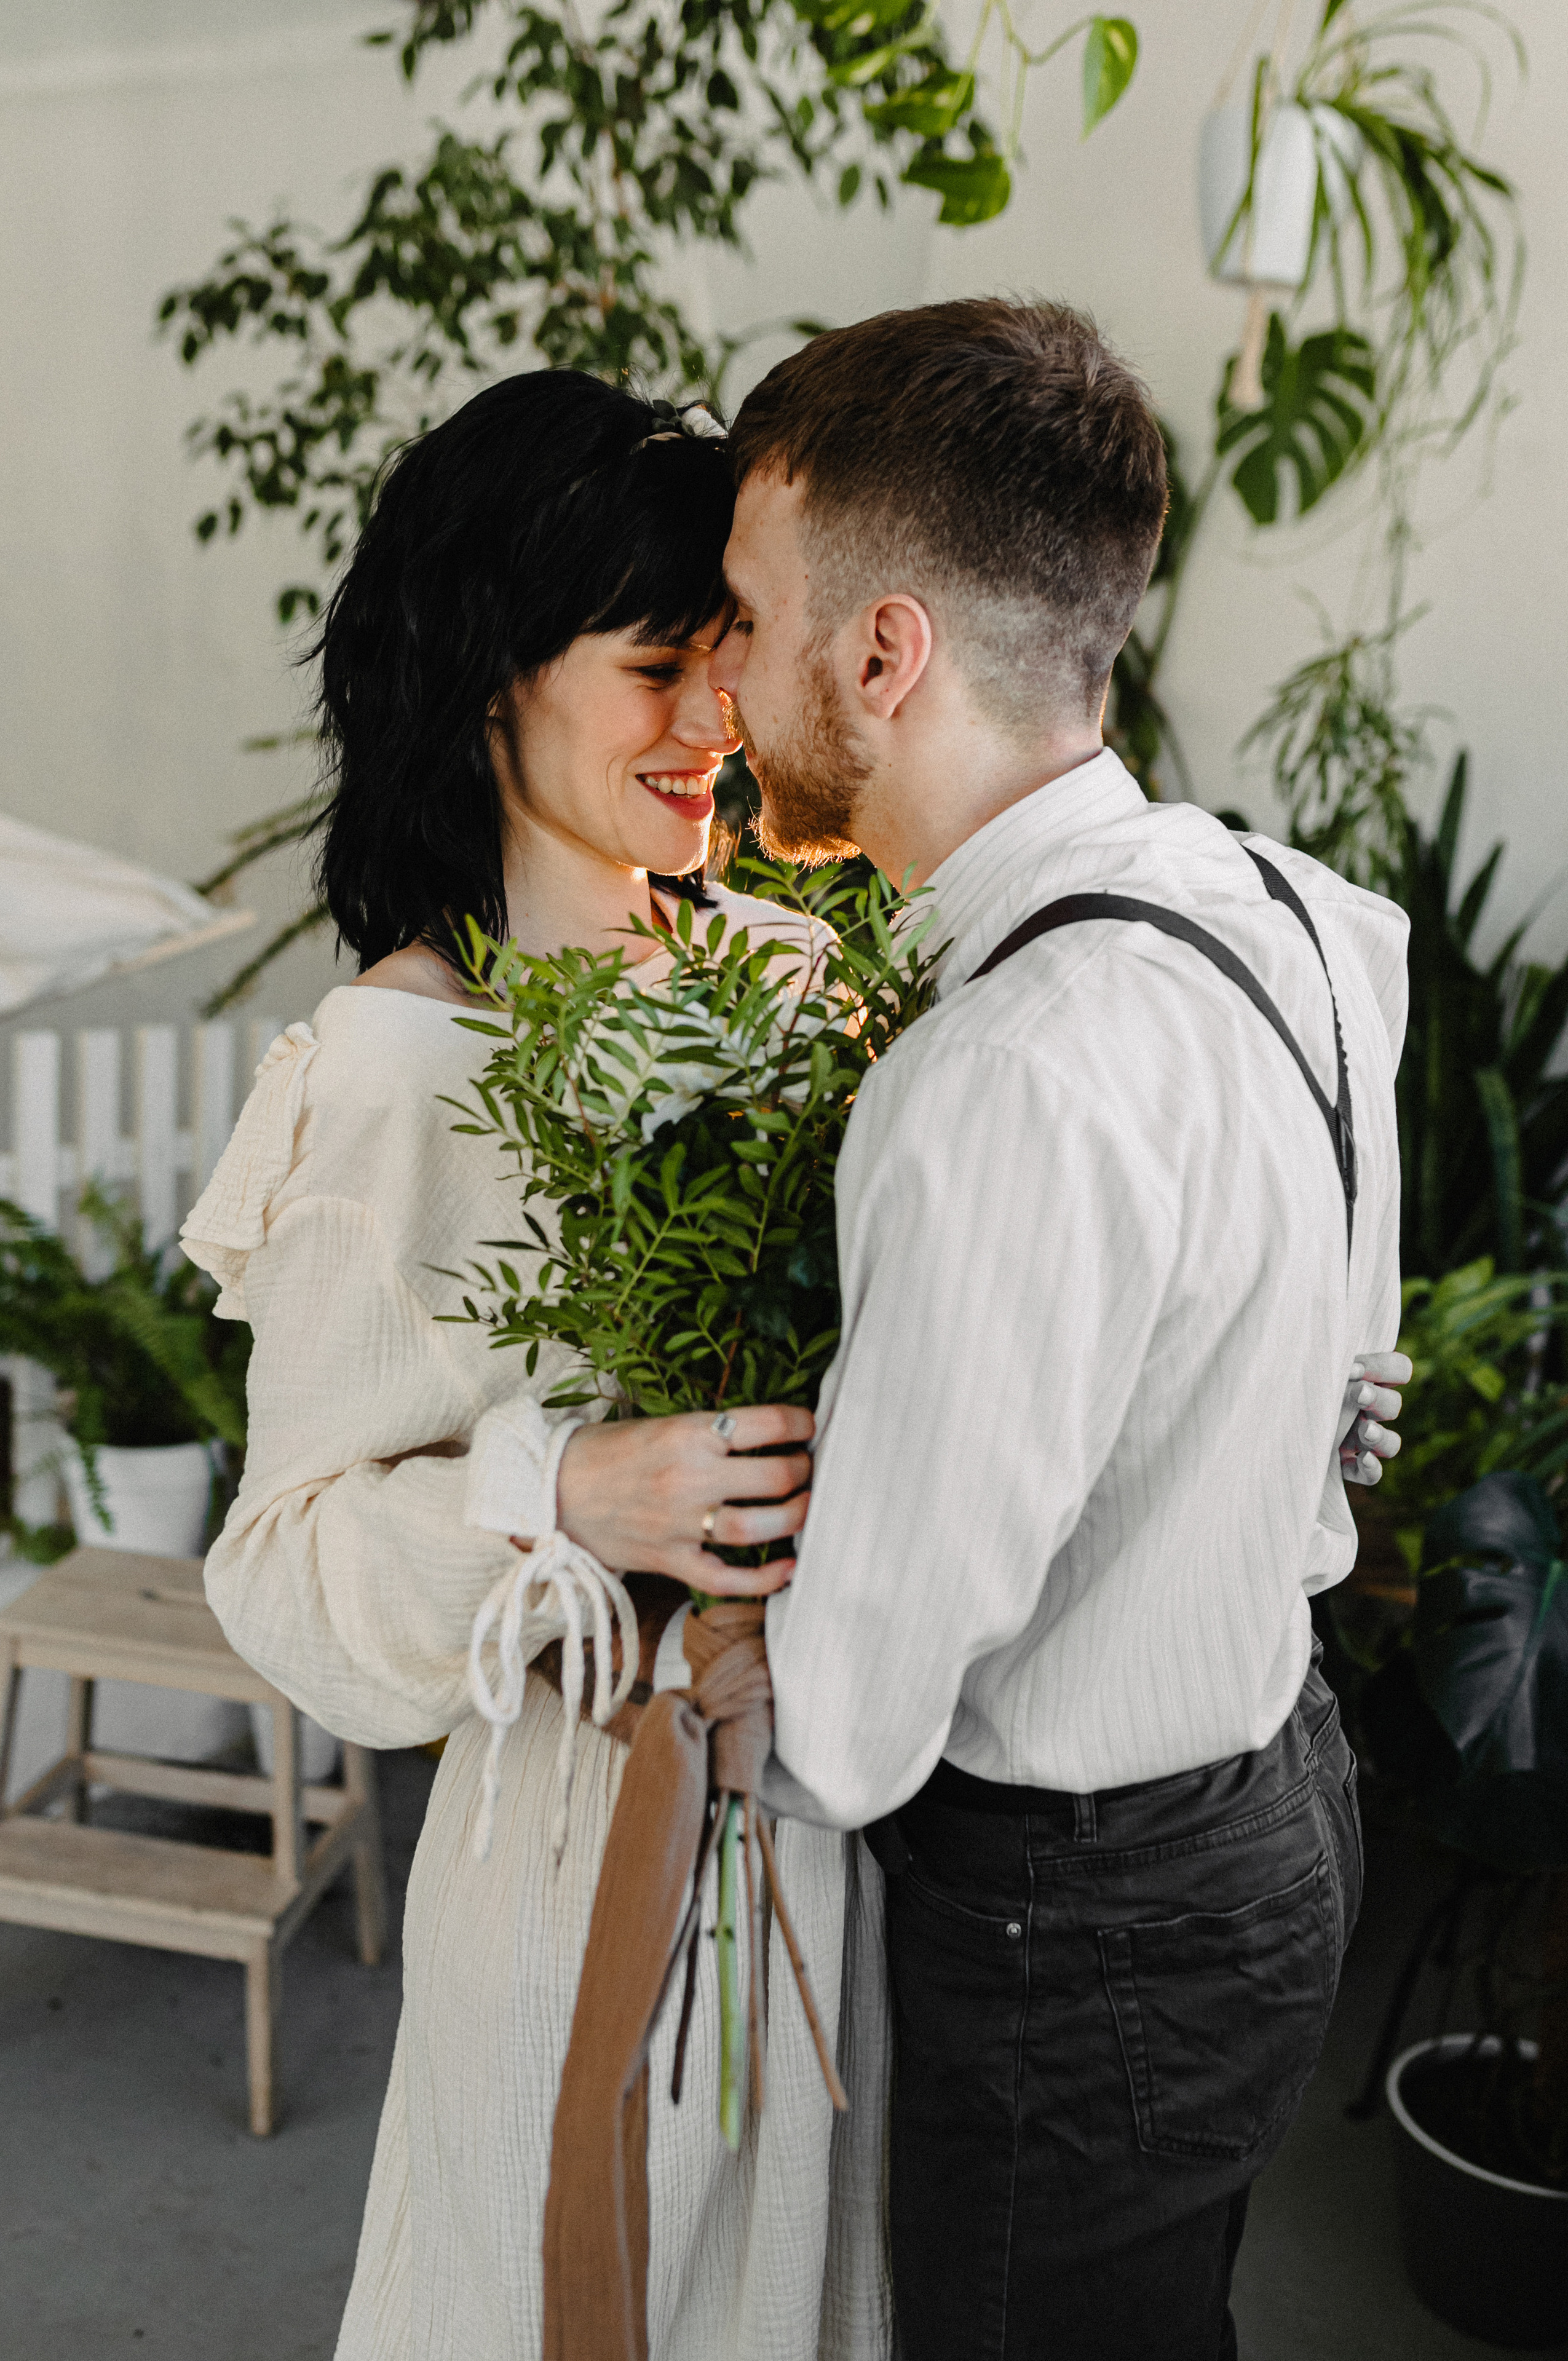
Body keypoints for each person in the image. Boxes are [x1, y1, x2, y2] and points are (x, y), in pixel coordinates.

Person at [710, 298, 1411, 2361]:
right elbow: (1331, 1385)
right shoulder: (1298, 906)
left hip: (1085, 1921)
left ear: (884, 651)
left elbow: (853, 1724)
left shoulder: (1000, 1076)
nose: (730, 674)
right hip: (1286, 1807)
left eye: (748, 620)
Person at [180, 371, 892, 2361]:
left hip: (851, 1835)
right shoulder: (398, 1070)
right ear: (493, 673)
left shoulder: (805, 977)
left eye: (725, 661)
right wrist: (566, 1490)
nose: (711, 726)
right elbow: (284, 1561)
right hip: (583, 1850)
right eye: (657, 664)